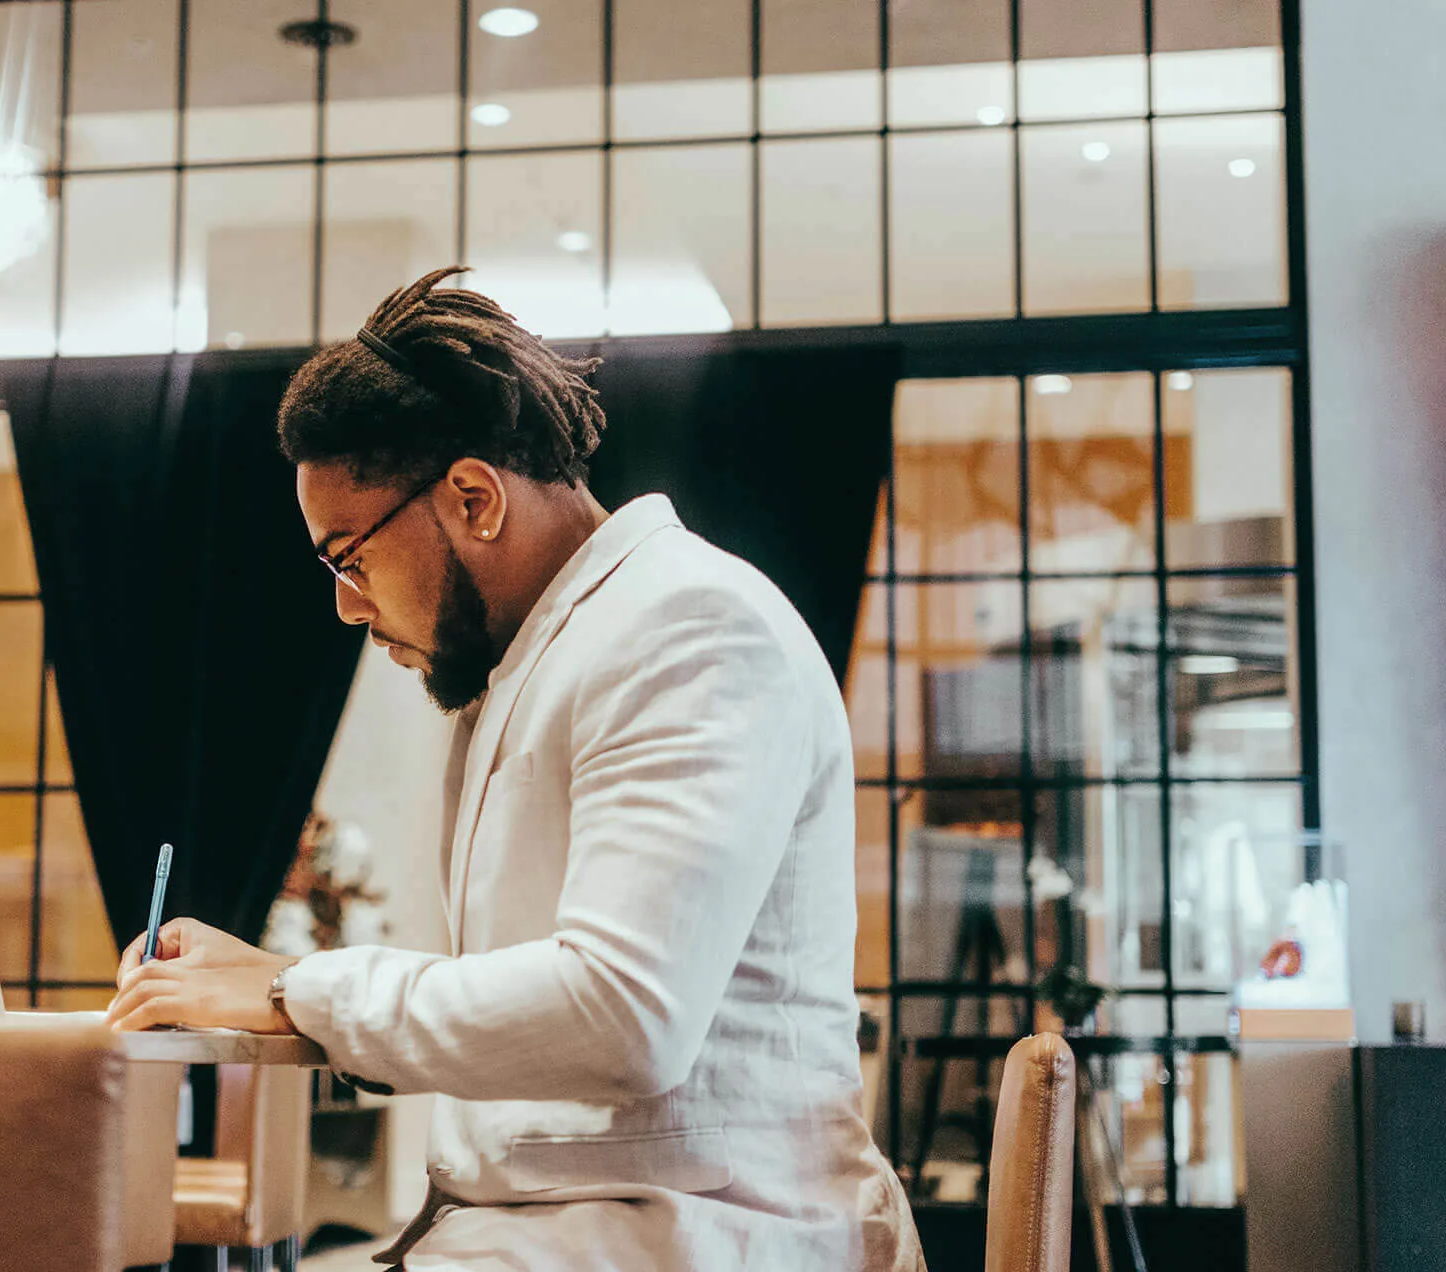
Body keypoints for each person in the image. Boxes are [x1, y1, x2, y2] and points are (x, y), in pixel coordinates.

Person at [106, 267, 924, 1271]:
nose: (347, 606)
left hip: (702, 1232)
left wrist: (293, 990)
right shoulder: (547, 658)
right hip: (570, 1230)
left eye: (348, 558)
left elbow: (624, 1015)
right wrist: (279, 990)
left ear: (473, 498)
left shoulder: (688, 626)